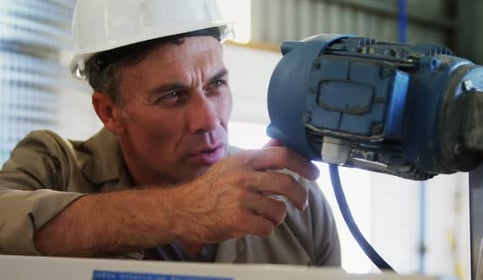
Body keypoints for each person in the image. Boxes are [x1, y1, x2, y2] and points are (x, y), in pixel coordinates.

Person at [0, 0, 341, 265]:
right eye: (173, 96)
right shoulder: (55, 167)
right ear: (109, 112)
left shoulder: (295, 202)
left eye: (217, 84)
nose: (208, 120)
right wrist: (182, 210)